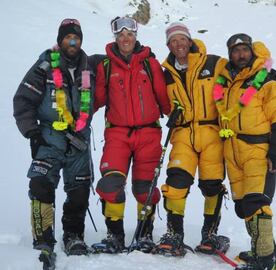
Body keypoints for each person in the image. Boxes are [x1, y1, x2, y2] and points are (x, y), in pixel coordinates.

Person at [13, 19, 101, 260]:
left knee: (80, 189)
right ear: (60, 39)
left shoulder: (91, 66)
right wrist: (31, 132)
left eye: (77, 38)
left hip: (80, 140)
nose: (72, 42)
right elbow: (22, 100)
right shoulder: (44, 65)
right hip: (50, 137)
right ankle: (43, 238)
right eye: (68, 37)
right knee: (40, 184)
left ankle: (74, 236)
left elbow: (118, 62)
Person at [212, 33, 276, 270]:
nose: (240, 55)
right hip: (233, 152)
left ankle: (267, 260)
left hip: (259, 151)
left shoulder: (267, 81)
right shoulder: (226, 83)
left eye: (244, 50)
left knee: (258, 204)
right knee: (244, 207)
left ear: (252, 51)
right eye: (235, 51)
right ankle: (260, 250)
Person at [93, 16, 170, 254]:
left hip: (148, 133)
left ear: (135, 36)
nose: (125, 39)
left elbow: (163, 97)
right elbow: (96, 99)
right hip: (117, 133)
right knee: (110, 184)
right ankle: (114, 235)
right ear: (115, 38)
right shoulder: (106, 67)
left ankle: (144, 234)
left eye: (130, 35)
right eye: (121, 35)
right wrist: (78, 118)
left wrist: (176, 114)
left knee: (144, 188)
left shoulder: (150, 64)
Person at [152, 22, 228, 257]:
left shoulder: (213, 63)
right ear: (169, 45)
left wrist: (266, 71)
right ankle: (174, 234)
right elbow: (161, 102)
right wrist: (171, 112)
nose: (178, 45)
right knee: (176, 183)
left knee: (212, 185)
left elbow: (239, 75)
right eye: (173, 41)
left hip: (211, 133)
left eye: (181, 39)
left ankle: (210, 235)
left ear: (189, 40)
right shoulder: (167, 74)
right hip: (183, 133)